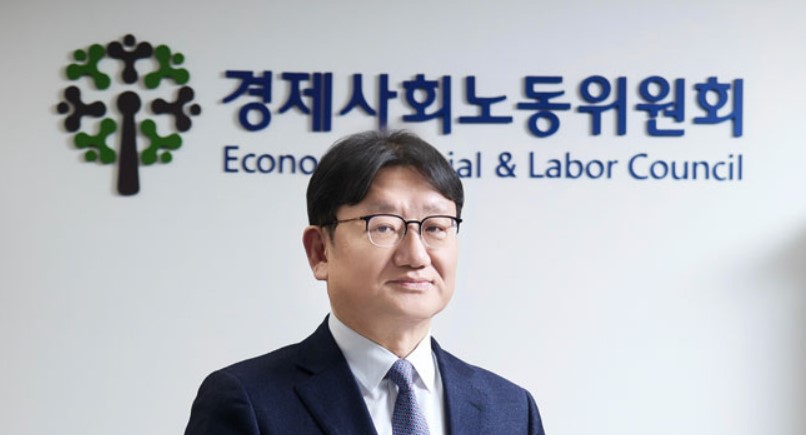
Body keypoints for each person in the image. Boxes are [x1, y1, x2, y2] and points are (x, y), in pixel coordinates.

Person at [184, 130, 546, 435]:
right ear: (320, 251)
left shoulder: (511, 410)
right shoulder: (248, 401)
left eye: (436, 227)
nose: (416, 255)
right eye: (384, 227)